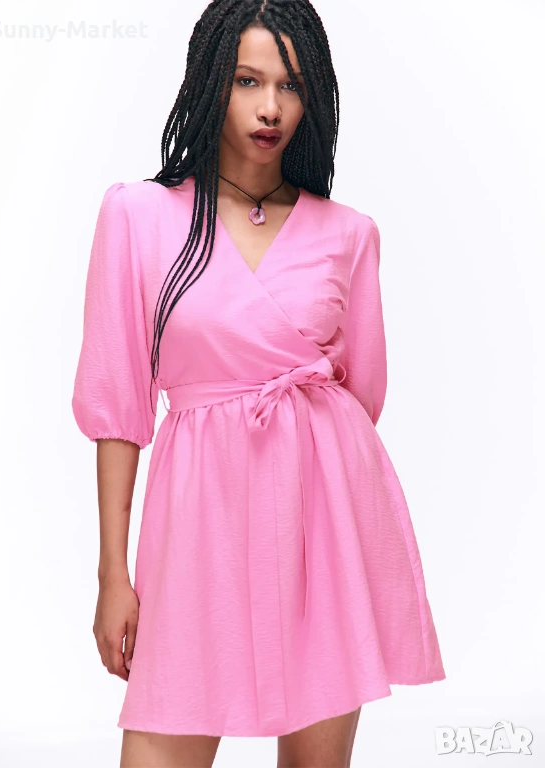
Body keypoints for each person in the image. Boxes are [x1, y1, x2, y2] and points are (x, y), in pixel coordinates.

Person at [71, 1, 446, 765]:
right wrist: (114, 574)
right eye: (247, 80)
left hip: (322, 532)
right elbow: (117, 406)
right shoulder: (139, 216)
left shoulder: (348, 234)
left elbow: (362, 400)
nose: (270, 107)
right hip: (196, 525)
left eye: (291, 86)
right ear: (211, 81)